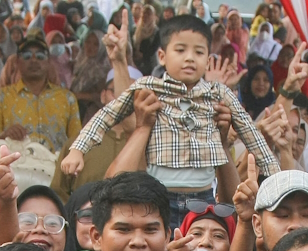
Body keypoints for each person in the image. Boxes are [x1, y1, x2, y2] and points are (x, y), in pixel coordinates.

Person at [63, 16, 279, 190]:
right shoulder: (149, 87)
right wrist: (78, 150)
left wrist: (274, 173)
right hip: (160, 195)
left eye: (199, 52)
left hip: (203, 199)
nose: (190, 58)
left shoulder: (219, 93)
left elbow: (251, 134)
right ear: (162, 56)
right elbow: (107, 115)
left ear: (208, 59)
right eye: (180, 50)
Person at [0, 35, 81, 152]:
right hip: (15, 167)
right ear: (18, 61)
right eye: (27, 56)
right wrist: (3, 135)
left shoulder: (67, 98)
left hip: (57, 167)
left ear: (49, 62)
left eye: (40, 56)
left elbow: (78, 142)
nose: (34, 60)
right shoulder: (1, 97)